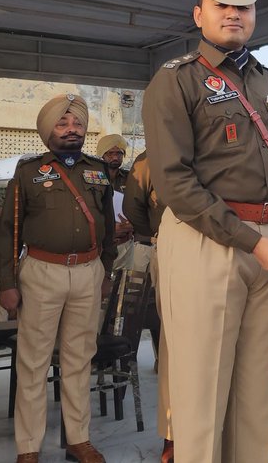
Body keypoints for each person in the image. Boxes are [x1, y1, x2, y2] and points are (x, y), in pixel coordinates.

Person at [143, 0, 268, 463]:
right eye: (222, 5)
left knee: (257, 385)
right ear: (198, 12)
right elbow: (175, 183)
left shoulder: (266, 79)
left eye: (244, 7)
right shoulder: (176, 80)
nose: (234, 15)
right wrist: (249, 240)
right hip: (208, 240)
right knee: (201, 391)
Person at [0, 94, 117, 463]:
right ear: (49, 131)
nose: (71, 129)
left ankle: (78, 439)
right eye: (63, 124)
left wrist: (105, 270)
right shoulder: (28, 171)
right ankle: (28, 447)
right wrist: (7, 282)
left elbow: (108, 227)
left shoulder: (98, 170)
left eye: (77, 123)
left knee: (80, 359)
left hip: (87, 271)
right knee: (34, 361)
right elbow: (6, 231)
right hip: (40, 273)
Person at [121, 151, 172, 463]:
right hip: (169, 248)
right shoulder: (149, 159)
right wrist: (162, 233)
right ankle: (174, 433)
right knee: (174, 345)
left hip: (221, 250)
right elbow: (133, 209)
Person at [96, 134, 135, 267]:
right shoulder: (93, 177)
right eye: (110, 153)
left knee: (122, 284)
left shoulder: (131, 178)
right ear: (102, 154)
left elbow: (140, 206)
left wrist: (132, 224)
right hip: (99, 244)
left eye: (119, 153)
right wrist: (110, 229)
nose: (115, 157)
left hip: (124, 244)